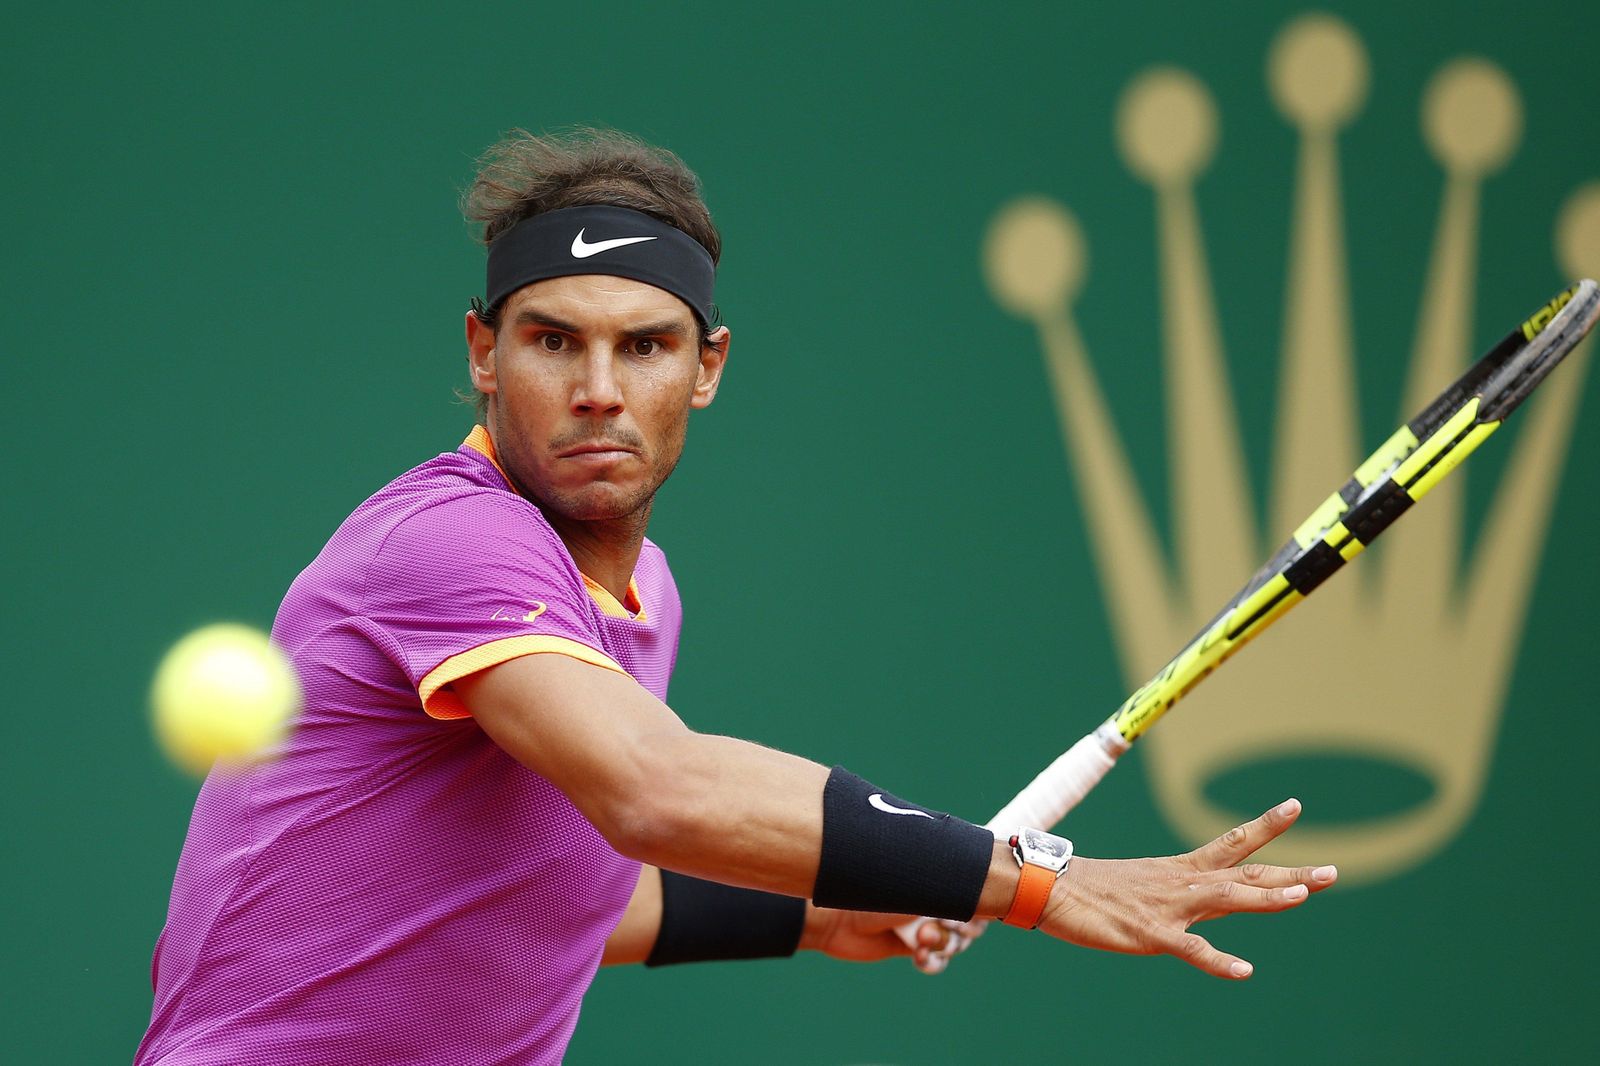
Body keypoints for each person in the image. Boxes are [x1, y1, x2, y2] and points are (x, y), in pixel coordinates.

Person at [135, 129, 1337, 1065]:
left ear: (705, 367)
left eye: (645, 346)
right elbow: (656, 789)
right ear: (481, 353)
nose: (599, 389)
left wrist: (821, 914)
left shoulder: (635, 588)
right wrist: (1035, 879)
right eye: (554, 341)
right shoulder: (452, 543)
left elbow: (547, 900)